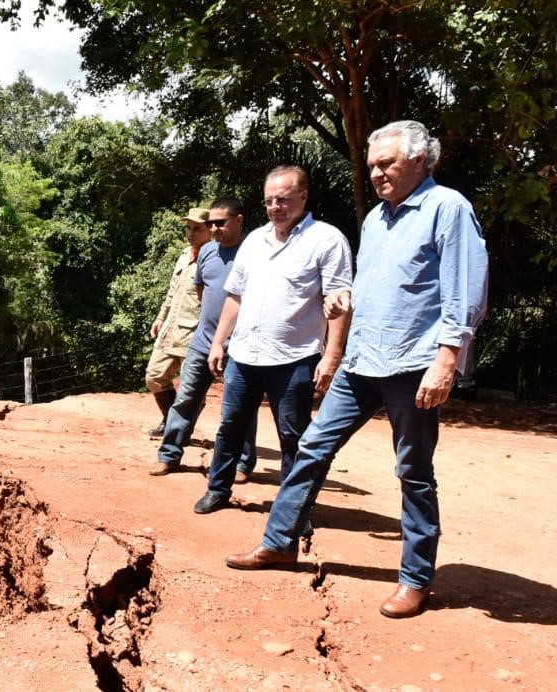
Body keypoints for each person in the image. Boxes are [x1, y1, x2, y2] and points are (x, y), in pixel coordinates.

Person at [225, 121, 489, 619]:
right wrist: (348, 298)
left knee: (413, 472)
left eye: (386, 163)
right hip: (362, 360)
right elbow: (380, 284)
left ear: (419, 160)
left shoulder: (448, 209)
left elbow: (465, 292)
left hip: (414, 364)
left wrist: (448, 360)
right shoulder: (375, 221)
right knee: (310, 448)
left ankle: (415, 580)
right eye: (371, 165)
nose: (376, 173)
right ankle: (280, 543)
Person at [193, 166, 353, 514]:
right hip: (244, 356)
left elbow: (340, 299)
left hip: (295, 359)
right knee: (230, 428)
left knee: (293, 437)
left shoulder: (326, 240)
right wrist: (220, 342)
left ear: (303, 197)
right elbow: (235, 296)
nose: (276, 207)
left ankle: (293, 511)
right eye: (269, 201)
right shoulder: (254, 241)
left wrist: (332, 356)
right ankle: (217, 491)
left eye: (283, 199)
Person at [150, 197, 258, 477]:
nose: (215, 229)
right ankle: (169, 455)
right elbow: (202, 293)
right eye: (211, 224)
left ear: (239, 220)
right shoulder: (208, 252)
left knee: (240, 407)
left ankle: (243, 463)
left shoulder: (255, 252)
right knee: (186, 398)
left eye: (221, 223)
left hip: (240, 345)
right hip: (203, 341)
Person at [144, 208, 212, 437]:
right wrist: (160, 317)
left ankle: (176, 428)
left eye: (197, 229)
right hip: (171, 327)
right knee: (154, 376)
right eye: (188, 228)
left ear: (210, 230)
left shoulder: (213, 258)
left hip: (194, 331)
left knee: (190, 388)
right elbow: (172, 293)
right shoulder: (184, 255)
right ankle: (171, 419)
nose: (191, 233)